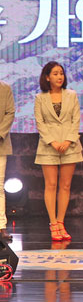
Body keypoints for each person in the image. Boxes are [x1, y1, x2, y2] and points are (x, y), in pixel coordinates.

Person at [34, 62, 83, 241]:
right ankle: (53, 223)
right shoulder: (40, 98)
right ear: (47, 77)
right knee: (51, 184)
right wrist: (52, 141)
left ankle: (61, 222)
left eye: (61, 73)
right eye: (55, 74)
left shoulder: (72, 95)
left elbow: (75, 120)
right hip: (48, 146)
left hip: (70, 145)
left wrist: (69, 140)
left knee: (65, 185)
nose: (59, 77)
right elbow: (40, 123)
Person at [0, 81, 15, 241]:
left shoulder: (5, 88)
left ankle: (1, 226)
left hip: (0, 143)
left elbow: (10, 113)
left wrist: (0, 134)